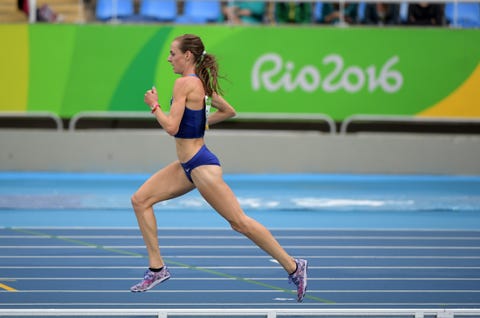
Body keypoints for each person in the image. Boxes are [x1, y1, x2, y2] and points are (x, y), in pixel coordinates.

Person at [129, 34, 308, 302]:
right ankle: (157, 269)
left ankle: (293, 266)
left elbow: (171, 128)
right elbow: (228, 110)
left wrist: (153, 105)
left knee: (240, 222)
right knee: (140, 200)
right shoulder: (199, 85)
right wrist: (201, 123)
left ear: (187, 55)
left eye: (173, 54)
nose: (169, 59)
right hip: (186, 165)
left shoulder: (184, 84)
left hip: (201, 166)